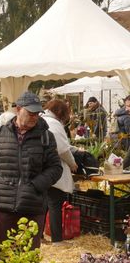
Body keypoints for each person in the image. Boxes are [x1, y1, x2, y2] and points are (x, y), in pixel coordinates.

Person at [0, 91, 62, 255]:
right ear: (18, 109)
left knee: (28, 258)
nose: (34, 117)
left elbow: (56, 168)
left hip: (32, 206)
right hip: (2, 205)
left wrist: (35, 185)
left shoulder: (46, 136)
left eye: (37, 113)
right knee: (0, 255)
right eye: (30, 113)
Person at [42, 99, 78, 244]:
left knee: (44, 204)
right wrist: (73, 163)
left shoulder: (41, 119)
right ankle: (57, 239)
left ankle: (39, 236)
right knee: (55, 204)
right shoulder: (54, 124)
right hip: (54, 169)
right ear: (59, 112)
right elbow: (63, 149)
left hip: (41, 169)